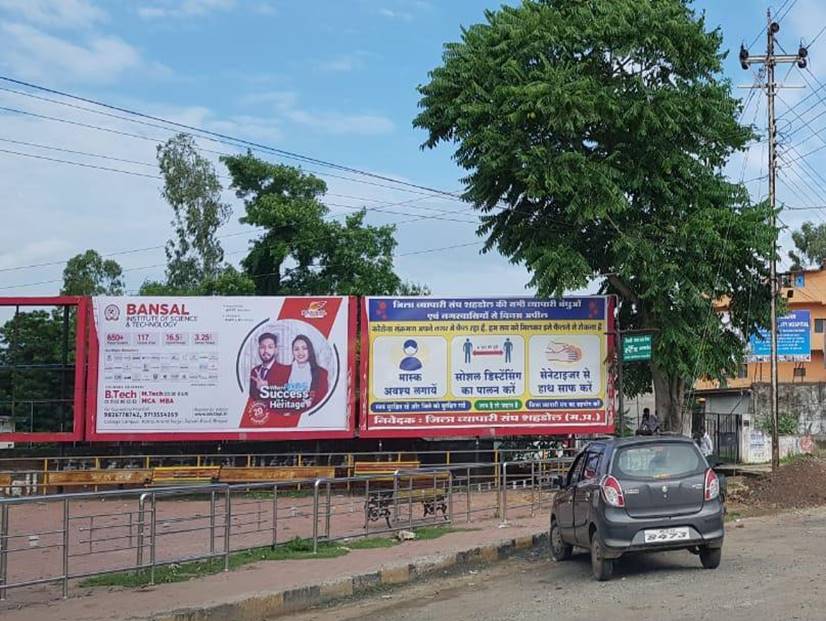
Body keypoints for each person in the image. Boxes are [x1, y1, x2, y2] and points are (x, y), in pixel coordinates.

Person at [286, 335, 329, 410]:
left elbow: (321, 401)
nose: (300, 352)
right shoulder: (284, 371)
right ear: (292, 352)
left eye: (304, 348)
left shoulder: (321, 373)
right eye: (296, 349)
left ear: (310, 350)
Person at [249, 332, 289, 400]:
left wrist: (268, 387)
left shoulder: (285, 370)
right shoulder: (254, 371)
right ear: (258, 349)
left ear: (276, 350)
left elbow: (286, 398)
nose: (266, 351)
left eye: (270, 347)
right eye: (262, 347)